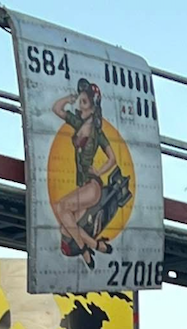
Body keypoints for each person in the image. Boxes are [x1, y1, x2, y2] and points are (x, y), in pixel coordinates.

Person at [52, 81, 118, 270]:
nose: (80, 105)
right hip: (83, 186)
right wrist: (69, 98)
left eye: (84, 102)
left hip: (92, 186)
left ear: (93, 106)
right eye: (80, 100)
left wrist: (99, 171)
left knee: (61, 207)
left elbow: (113, 159)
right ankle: (95, 245)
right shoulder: (78, 122)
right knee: (66, 227)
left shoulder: (98, 133)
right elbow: (56, 109)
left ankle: (84, 249)